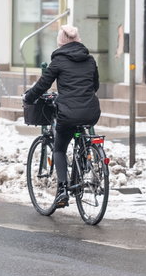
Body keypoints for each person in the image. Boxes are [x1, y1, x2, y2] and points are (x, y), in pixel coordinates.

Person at [23, 25, 101, 208]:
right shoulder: (90, 60)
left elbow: (42, 85)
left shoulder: (58, 61)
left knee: (59, 148)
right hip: (90, 111)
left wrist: (29, 97)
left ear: (61, 42)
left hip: (68, 113)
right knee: (80, 134)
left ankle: (63, 190)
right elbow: (94, 86)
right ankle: (84, 162)